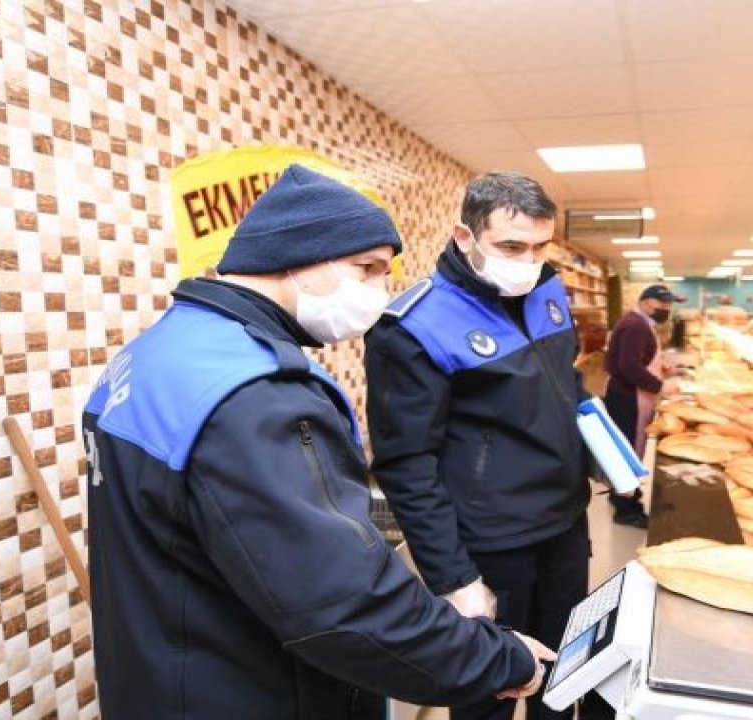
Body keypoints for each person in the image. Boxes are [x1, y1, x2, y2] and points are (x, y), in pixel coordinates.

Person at [82, 165, 554, 720]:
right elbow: (344, 605)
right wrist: (499, 659)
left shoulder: (156, 352)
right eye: (367, 269)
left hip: (163, 676)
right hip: (250, 692)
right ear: (299, 256)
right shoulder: (258, 393)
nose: (379, 291)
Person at [365, 171, 602, 720]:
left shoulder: (548, 288)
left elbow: (562, 382)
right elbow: (405, 465)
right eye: (511, 246)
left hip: (565, 522)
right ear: (465, 235)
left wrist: (600, 446)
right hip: (492, 543)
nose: (529, 260)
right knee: (489, 693)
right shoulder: (413, 327)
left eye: (542, 246)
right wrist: (455, 579)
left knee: (566, 671)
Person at [601, 284, 683, 527]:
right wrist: (660, 386)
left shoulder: (640, 323)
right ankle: (626, 511)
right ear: (646, 301)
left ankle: (623, 496)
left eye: (669, 304)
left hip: (631, 396)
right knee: (628, 452)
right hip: (629, 398)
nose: (666, 308)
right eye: (662, 303)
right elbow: (629, 367)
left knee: (627, 450)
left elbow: (639, 358)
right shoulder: (636, 326)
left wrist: (664, 368)